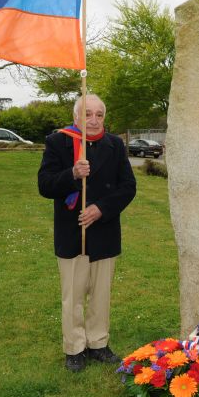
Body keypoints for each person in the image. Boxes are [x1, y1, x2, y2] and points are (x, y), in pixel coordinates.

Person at [38, 94, 136, 372]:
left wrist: (101, 209)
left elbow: (128, 187)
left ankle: (98, 343)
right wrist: (71, 173)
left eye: (99, 114)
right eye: (87, 114)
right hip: (72, 232)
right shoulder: (58, 142)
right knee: (74, 294)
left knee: (101, 293)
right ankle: (75, 348)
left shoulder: (115, 145)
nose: (93, 120)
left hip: (104, 230)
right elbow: (44, 185)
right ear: (76, 116)